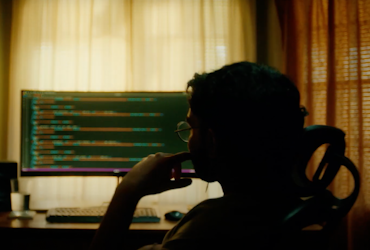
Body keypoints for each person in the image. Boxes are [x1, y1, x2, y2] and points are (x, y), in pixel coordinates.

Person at [89, 61, 307, 250]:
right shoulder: (290, 207)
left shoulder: (211, 227)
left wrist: (127, 190)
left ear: (211, 140)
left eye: (192, 128)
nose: (189, 139)